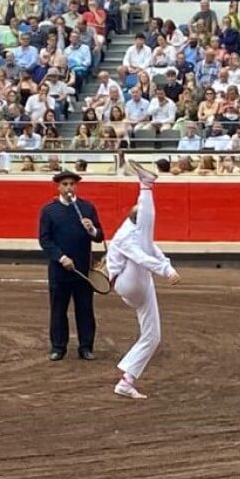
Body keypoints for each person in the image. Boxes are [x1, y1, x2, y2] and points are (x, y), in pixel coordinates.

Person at [105, 160, 182, 399]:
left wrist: (167, 266)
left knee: (153, 336)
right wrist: (165, 271)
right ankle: (145, 186)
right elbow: (142, 256)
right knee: (144, 244)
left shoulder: (140, 236)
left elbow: (152, 250)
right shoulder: (126, 235)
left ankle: (126, 381)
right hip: (126, 283)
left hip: (141, 281)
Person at [38, 171, 105, 361]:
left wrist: (92, 229)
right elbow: (45, 239)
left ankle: (86, 347)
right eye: (65, 184)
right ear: (58, 187)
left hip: (83, 269)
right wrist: (61, 257)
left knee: (85, 309)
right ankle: (58, 347)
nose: (69, 188)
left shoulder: (87, 208)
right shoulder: (49, 210)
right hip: (60, 269)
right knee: (58, 310)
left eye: (72, 184)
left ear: (76, 186)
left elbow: (100, 237)